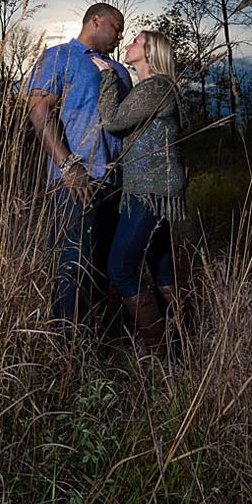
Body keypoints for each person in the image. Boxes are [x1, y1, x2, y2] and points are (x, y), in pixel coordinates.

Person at [26, 3, 129, 336]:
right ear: (95, 21)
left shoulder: (120, 72)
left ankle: (93, 348)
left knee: (101, 270)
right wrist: (69, 166)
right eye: (116, 27)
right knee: (73, 266)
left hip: (115, 182)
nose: (120, 35)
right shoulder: (59, 56)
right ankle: (65, 353)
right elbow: (39, 114)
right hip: (74, 182)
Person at [91, 29, 187, 355]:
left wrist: (106, 78)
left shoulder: (156, 85)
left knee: (121, 267)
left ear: (149, 52)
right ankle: (182, 346)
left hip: (148, 190)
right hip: (155, 188)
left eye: (136, 41)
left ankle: (160, 354)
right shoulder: (151, 88)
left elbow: (113, 121)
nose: (129, 45)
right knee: (161, 266)